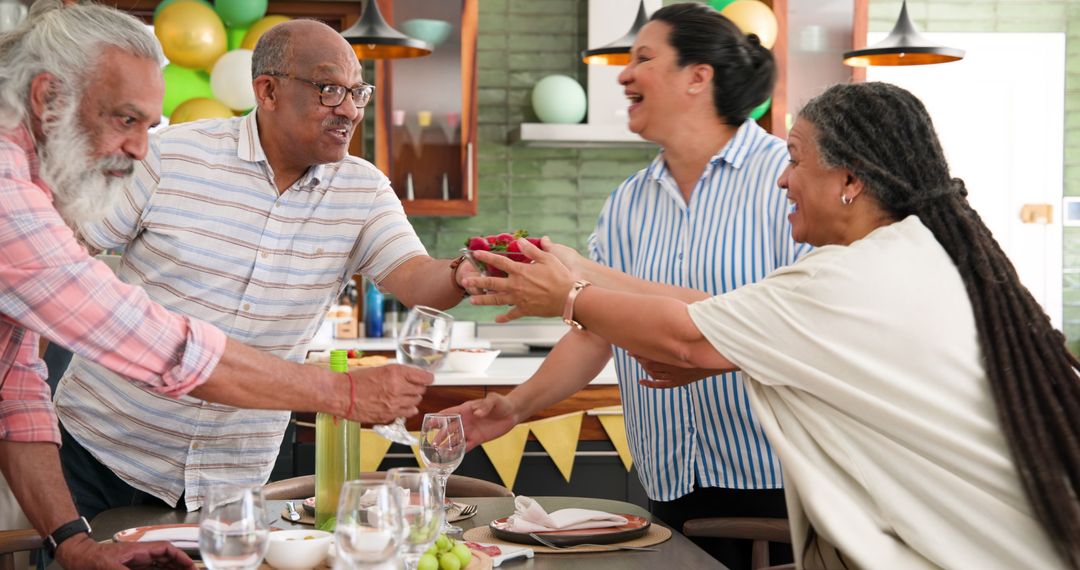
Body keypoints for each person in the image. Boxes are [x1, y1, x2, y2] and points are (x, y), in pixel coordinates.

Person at [462, 81, 1080, 569]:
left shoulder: (850, 279)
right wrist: (581, 276)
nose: (782, 178)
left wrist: (569, 294)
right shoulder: (908, 255)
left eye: (795, 160)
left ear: (850, 180)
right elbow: (708, 320)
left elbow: (688, 334)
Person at [0, 3, 434, 566]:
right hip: (105, 449)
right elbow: (158, 346)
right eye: (125, 120)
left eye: (147, 127)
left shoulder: (362, 188)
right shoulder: (10, 197)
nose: (138, 149)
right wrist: (340, 393)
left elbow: (15, 389)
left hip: (230, 474)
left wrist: (73, 544)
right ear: (46, 98)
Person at [444, 4, 807, 567]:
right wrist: (513, 408)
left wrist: (573, 285)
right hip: (668, 482)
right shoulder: (628, 201)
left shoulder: (787, 182)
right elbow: (596, 332)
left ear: (697, 76)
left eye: (644, 58)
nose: (623, 73)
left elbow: (792, 329)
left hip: (774, 483)